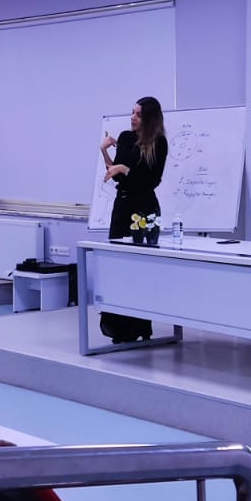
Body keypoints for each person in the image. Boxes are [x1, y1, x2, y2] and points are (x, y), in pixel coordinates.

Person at [98, 96, 167, 343]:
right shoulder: (126, 138)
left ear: (149, 118)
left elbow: (151, 180)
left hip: (144, 207)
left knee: (140, 268)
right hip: (123, 205)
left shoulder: (159, 143)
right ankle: (119, 328)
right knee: (118, 265)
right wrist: (104, 150)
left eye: (138, 114)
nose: (133, 118)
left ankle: (140, 325)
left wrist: (125, 169)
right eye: (132, 113)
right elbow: (115, 173)